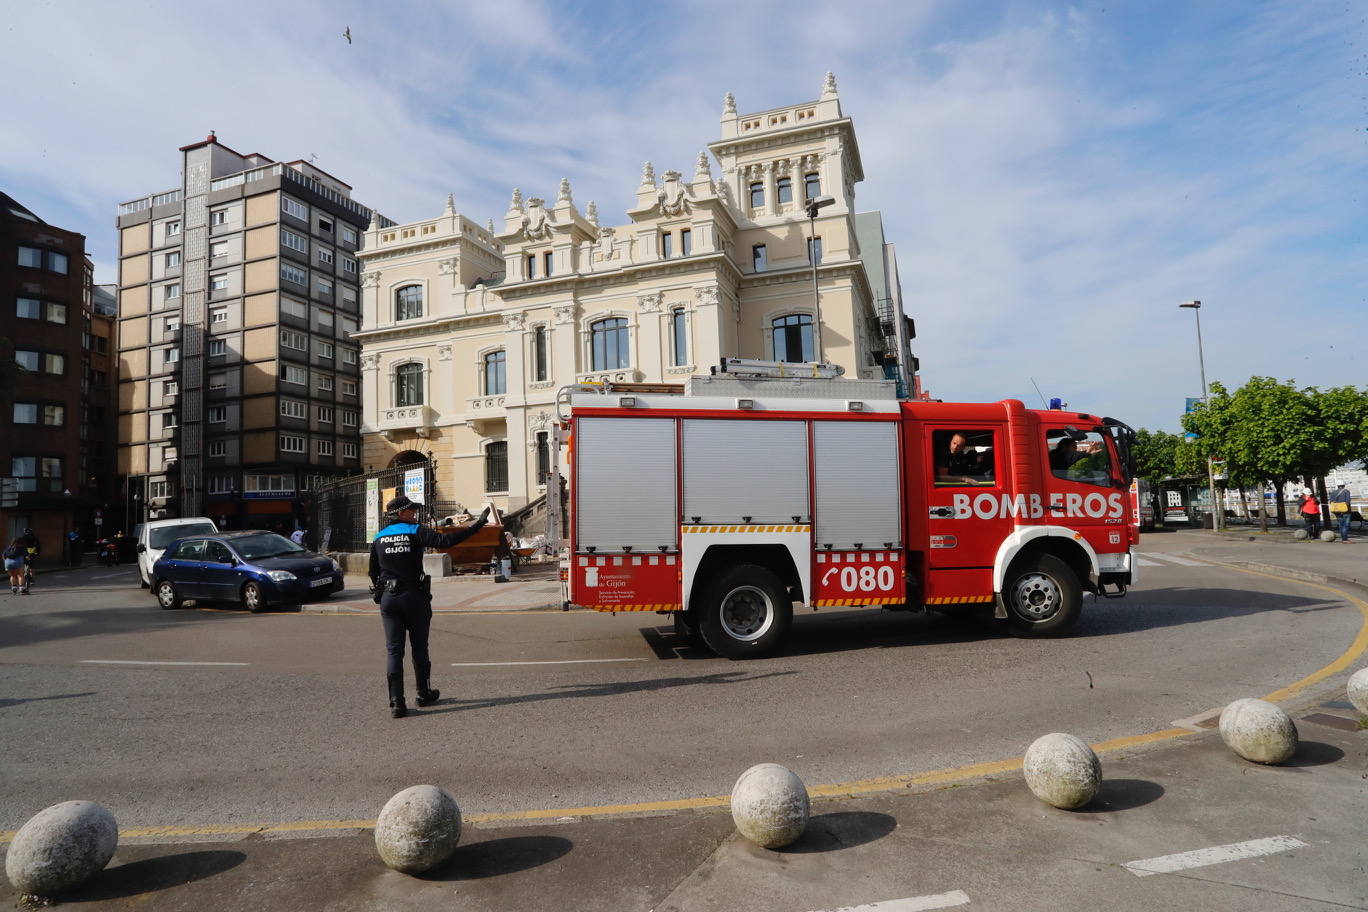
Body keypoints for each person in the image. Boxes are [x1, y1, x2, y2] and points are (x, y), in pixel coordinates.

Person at [369, 495, 491, 718]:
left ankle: (397, 703)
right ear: (401, 514)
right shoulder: (415, 531)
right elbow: (447, 542)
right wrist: (478, 525)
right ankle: (423, 693)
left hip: (389, 598)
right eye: (411, 511)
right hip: (413, 597)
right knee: (419, 647)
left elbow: (373, 572)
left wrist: (381, 593)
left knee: (394, 651)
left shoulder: (378, 537)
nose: (414, 514)